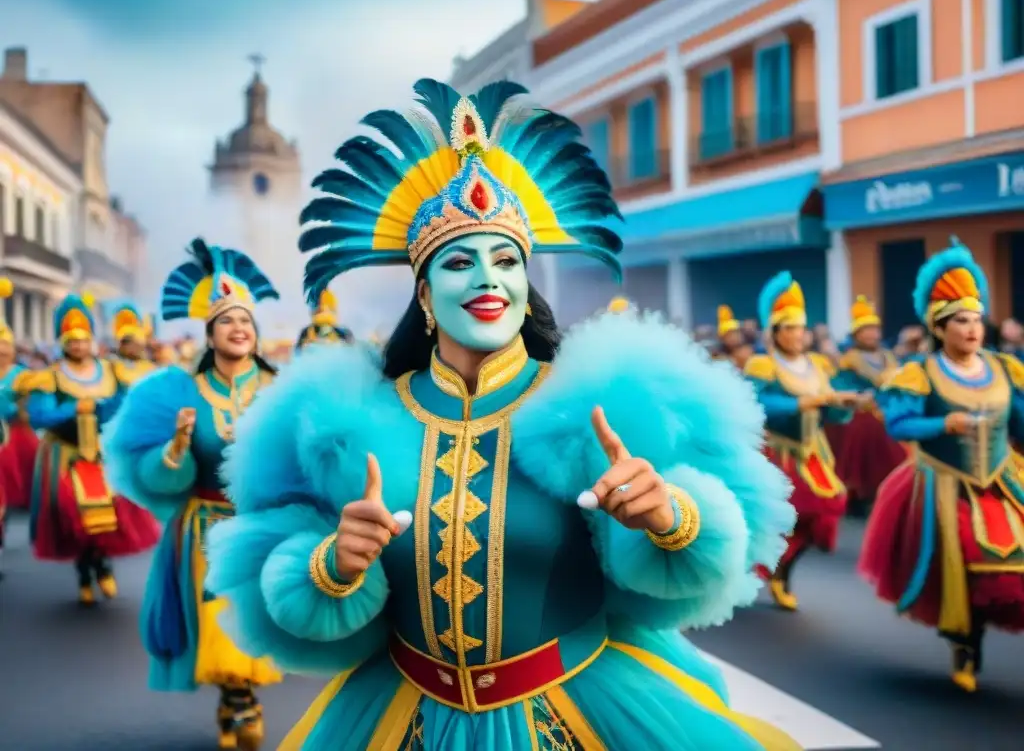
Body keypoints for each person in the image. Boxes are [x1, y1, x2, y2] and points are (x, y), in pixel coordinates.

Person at [200, 78, 798, 750]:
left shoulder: (598, 406)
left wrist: (669, 519)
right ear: (424, 295)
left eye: (506, 259)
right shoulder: (347, 425)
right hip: (405, 713)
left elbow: (697, 577)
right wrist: (333, 565)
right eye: (460, 261)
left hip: (577, 707)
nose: (487, 277)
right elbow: (293, 605)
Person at [103, 238, 282, 749]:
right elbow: (158, 479)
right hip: (203, 524)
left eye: (246, 320)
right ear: (209, 333)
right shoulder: (178, 394)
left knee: (257, 616)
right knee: (218, 616)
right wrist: (177, 445)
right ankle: (240, 696)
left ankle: (239, 693)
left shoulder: (280, 389)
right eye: (227, 321)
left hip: (262, 526)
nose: (239, 328)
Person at [859, 238, 1024, 693]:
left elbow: (1022, 424)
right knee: (964, 560)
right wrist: (942, 423)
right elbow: (899, 424)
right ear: (940, 326)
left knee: (1012, 565)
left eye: (976, 320)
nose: (972, 329)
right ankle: (964, 644)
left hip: (1002, 479)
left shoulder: (1007, 369)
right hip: (943, 483)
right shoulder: (920, 372)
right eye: (960, 321)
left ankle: (976, 634)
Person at [22, 292, 160, 604]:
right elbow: (39, 414)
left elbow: (123, 404)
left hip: (102, 453)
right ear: (62, 342)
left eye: (84, 339)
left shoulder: (111, 370)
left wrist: (102, 410)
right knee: (75, 514)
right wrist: (75, 409)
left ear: (93, 341)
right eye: (72, 340)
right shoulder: (51, 375)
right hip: (66, 455)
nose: (78, 346)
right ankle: (84, 569)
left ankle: (102, 564)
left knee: (110, 514)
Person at [744, 271, 862, 611]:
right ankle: (765, 567)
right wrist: (800, 403)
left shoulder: (817, 365)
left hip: (812, 453)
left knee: (826, 510)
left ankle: (782, 571)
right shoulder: (763, 364)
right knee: (783, 519)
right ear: (775, 332)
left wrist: (842, 406)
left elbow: (829, 410)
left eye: (801, 328)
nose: (798, 335)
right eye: (790, 328)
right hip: (776, 452)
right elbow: (756, 402)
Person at [827, 296, 907, 515]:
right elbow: (842, 386)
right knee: (866, 428)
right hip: (861, 411)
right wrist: (863, 399)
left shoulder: (888, 356)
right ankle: (860, 491)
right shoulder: (849, 360)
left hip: (887, 408)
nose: (872, 334)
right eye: (867, 330)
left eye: (875, 329)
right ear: (857, 334)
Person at [0, 277, 38, 515]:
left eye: (5, 346)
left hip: (15, 432)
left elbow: (32, 406)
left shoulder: (22, 374)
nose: (2, 351)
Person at [109, 299, 156, 387]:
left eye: (137, 342)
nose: (136, 346)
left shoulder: (150, 367)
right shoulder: (112, 366)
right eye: (127, 342)